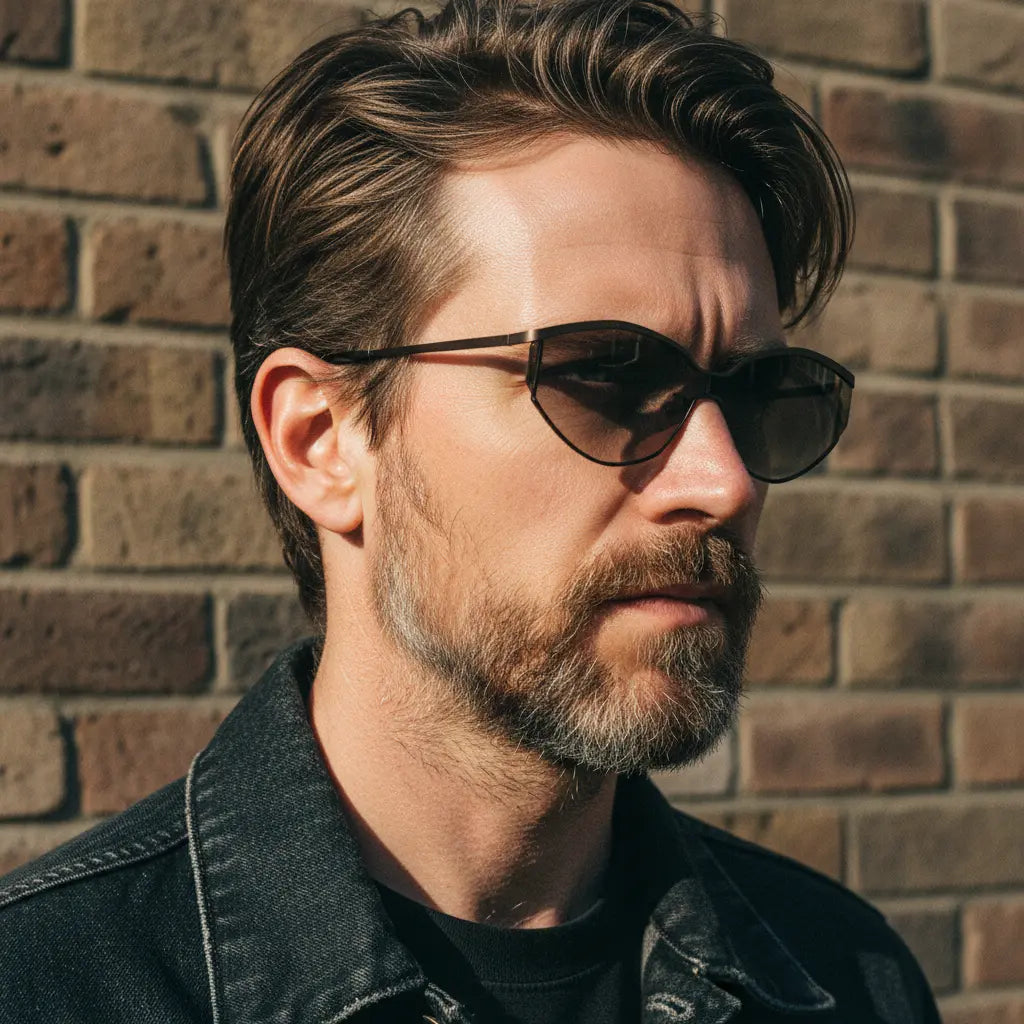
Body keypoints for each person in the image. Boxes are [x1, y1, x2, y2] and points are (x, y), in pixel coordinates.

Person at [0, 2, 940, 1021]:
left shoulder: (846, 977)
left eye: (756, 394)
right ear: (321, 441)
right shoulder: (53, 985)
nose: (724, 482)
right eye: (605, 377)